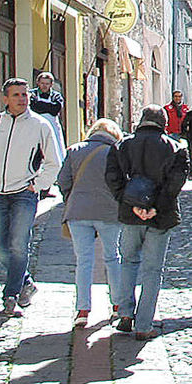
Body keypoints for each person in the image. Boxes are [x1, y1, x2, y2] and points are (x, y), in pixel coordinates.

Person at [0, 77, 64, 315]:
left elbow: (54, 162)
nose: (22, 99)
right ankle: (26, 282)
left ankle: (10, 295)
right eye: (16, 95)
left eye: (24, 95)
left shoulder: (40, 125)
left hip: (24, 192)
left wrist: (39, 184)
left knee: (19, 245)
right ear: (6, 99)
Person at [104, 104, 190, 340]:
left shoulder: (122, 145)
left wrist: (130, 203)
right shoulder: (175, 148)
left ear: (141, 121)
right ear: (163, 123)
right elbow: (176, 183)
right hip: (159, 218)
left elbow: (112, 177)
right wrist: (154, 208)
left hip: (131, 215)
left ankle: (125, 314)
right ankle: (144, 325)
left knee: (128, 262)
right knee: (152, 270)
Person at [56, 117, 125, 328]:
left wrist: (73, 199)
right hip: (109, 211)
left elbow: (63, 181)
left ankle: (83, 310)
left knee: (83, 261)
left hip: (79, 211)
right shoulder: (117, 153)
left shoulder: (75, 150)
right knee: (112, 257)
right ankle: (117, 305)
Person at [31, 69, 68, 146]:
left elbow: (56, 109)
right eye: (42, 83)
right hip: (35, 127)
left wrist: (39, 105)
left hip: (53, 128)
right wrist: (49, 107)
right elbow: (33, 107)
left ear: (51, 84)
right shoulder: (32, 94)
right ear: (38, 83)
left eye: (47, 83)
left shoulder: (56, 96)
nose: (44, 86)